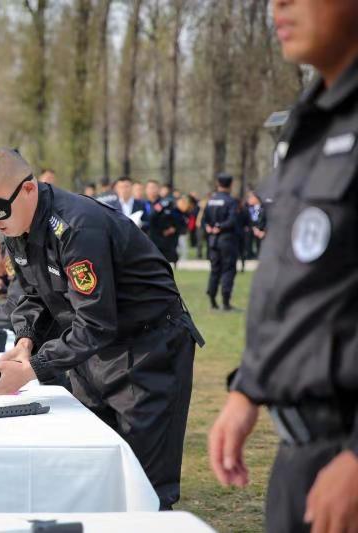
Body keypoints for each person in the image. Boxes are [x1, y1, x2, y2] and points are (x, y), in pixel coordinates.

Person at [0, 148, 203, 510]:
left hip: (147, 350)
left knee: (142, 484)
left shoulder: (76, 227)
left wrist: (31, 369)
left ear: (28, 189)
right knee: (96, 472)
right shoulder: (16, 225)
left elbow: (95, 322)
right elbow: (34, 293)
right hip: (92, 352)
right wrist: (26, 340)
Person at [209, 2, 358, 532]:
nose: (279, 4)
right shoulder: (311, 119)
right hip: (301, 452)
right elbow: (297, 282)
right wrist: (250, 388)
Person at [201, 174, 239, 310]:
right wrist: (220, 227)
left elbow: (204, 220)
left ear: (218, 183)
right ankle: (226, 302)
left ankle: (212, 301)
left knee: (215, 270)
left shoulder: (211, 200)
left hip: (213, 241)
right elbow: (232, 220)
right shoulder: (231, 201)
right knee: (228, 270)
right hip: (226, 240)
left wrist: (209, 227)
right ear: (231, 184)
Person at [144, 179, 183, 264]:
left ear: (158, 189)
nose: (151, 190)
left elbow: (179, 220)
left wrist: (173, 228)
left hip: (164, 242)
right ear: (146, 190)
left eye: (154, 187)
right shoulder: (143, 204)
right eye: (149, 188)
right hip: (147, 240)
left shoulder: (166, 203)